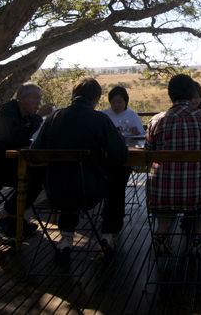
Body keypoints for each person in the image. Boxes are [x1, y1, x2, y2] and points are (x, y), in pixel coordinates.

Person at [31, 77, 131, 253]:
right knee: (120, 173)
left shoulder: (54, 118)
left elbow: (34, 154)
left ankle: (66, 236)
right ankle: (108, 232)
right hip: (88, 192)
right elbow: (120, 155)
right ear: (95, 100)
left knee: (70, 178)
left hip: (53, 191)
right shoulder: (99, 119)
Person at [145, 74, 201, 257]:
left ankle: (162, 235)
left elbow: (147, 155)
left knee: (163, 194)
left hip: (161, 194)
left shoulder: (156, 121)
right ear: (191, 94)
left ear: (170, 95)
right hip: (199, 194)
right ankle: (198, 236)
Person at [0, 82, 54, 239]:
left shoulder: (20, 115)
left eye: (40, 99)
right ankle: (3, 217)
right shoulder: (5, 112)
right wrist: (38, 116)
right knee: (33, 176)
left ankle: (14, 219)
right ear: (22, 98)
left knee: (40, 172)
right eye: (36, 98)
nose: (39, 103)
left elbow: (19, 140)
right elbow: (15, 136)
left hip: (3, 164)